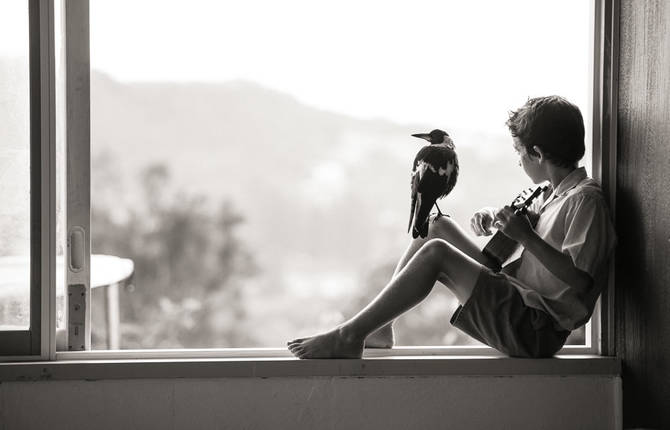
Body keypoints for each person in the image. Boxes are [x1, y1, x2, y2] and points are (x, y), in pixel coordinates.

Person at [287, 95, 616, 359]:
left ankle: (350, 335)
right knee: (437, 226)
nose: (518, 161)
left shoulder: (585, 200)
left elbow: (581, 281)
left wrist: (525, 236)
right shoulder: (551, 194)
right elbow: (522, 235)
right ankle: (380, 327)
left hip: (534, 327)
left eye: (520, 152)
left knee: (437, 254)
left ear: (538, 153)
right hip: (517, 295)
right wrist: (493, 218)